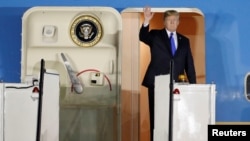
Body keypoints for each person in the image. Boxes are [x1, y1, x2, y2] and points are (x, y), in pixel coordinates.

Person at [139, 6, 196, 141]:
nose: (172, 23)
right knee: (157, 118)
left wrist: (193, 87)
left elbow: (189, 65)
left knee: (176, 118)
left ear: (178, 22)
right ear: (164, 22)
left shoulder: (184, 41)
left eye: (175, 20)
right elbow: (143, 36)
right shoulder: (155, 35)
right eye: (169, 20)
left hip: (178, 86)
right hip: (157, 84)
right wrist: (146, 20)